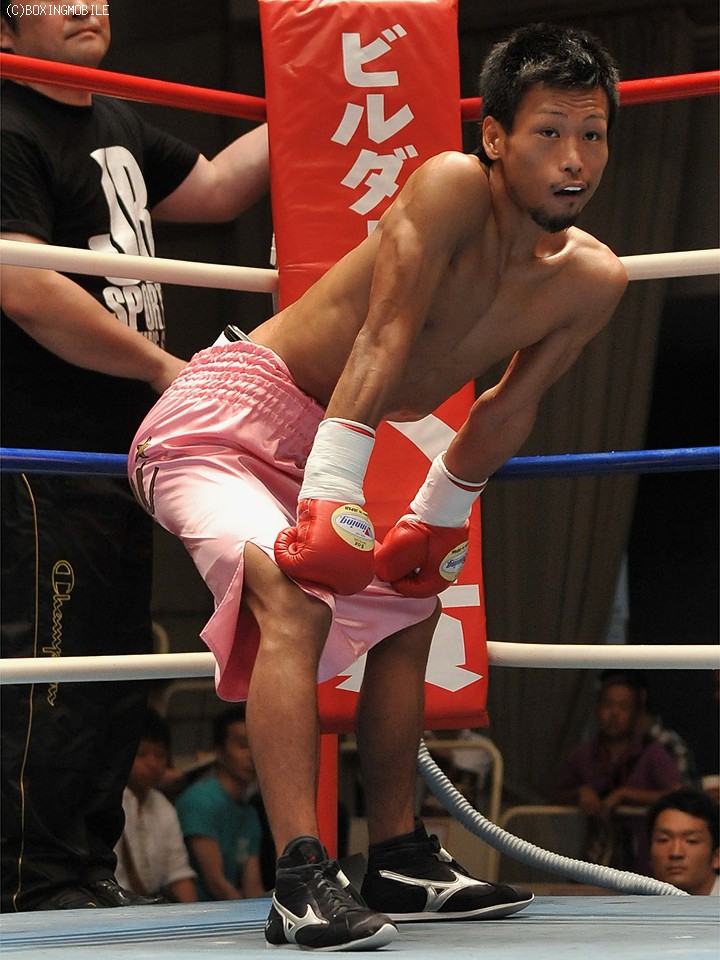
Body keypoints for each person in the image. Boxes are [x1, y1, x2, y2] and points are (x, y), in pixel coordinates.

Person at [129, 23, 628, 950]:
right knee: (291, 598)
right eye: (550, 132)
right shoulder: (448, 188)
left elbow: (506, 410)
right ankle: (299, 881)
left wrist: (438, 521)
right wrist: (331, 489)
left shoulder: (590, 280)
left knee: (410, 604)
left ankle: (397, 856)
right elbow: (385, 334)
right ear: (494, 137)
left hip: (320, 438)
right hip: (219, 424)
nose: (574, 159)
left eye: (592, 134)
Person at [0, 6, 268, 912]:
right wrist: (160, 365)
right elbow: (24, 286)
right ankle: (29, 878)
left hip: (123, 450)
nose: (84, 6)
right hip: (44, 448)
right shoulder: (8, 125)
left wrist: (322, 93)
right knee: (54, 668)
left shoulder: (114, 116)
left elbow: (218, 189)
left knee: (117, 669)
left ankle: (82, 865)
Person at [554, 672, 683, 872]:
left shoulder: (651, 752)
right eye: (608, 705)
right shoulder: (582, 754)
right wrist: (578, 794)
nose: (614, 714)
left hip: (642, 859)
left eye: (624, 706)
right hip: (591, 859)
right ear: (597, 708)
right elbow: (554, 796)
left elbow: (678, 794)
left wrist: (626, 795)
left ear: (636, 713)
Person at [175, 705, 266, 901]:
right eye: (243, 745)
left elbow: (253, 887)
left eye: (257, 745)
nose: (252, 755)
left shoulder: (249, 812)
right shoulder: (200, 800)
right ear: (219, 752)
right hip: (197, 911)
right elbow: (216, 882)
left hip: (232, 907)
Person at [115, 709, 197, 903]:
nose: (153, 763)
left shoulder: (163, 806)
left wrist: (198, 916)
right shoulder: (108, 804)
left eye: (160, 755)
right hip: (109, 907)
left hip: (149, 906)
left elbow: (178, 876)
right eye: (142, 754)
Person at [599, 670, 700, 787]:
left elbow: (683, 794)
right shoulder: (598, 747)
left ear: (641, 696)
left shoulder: (666, 746)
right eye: (607, 702)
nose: (614, 712)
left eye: (622, 703)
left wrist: (627, 794)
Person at [648, 789, 719, 895]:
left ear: (717, 856)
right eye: (663, 840)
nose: (676, 853)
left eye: (691, 841)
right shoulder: (635, 902)